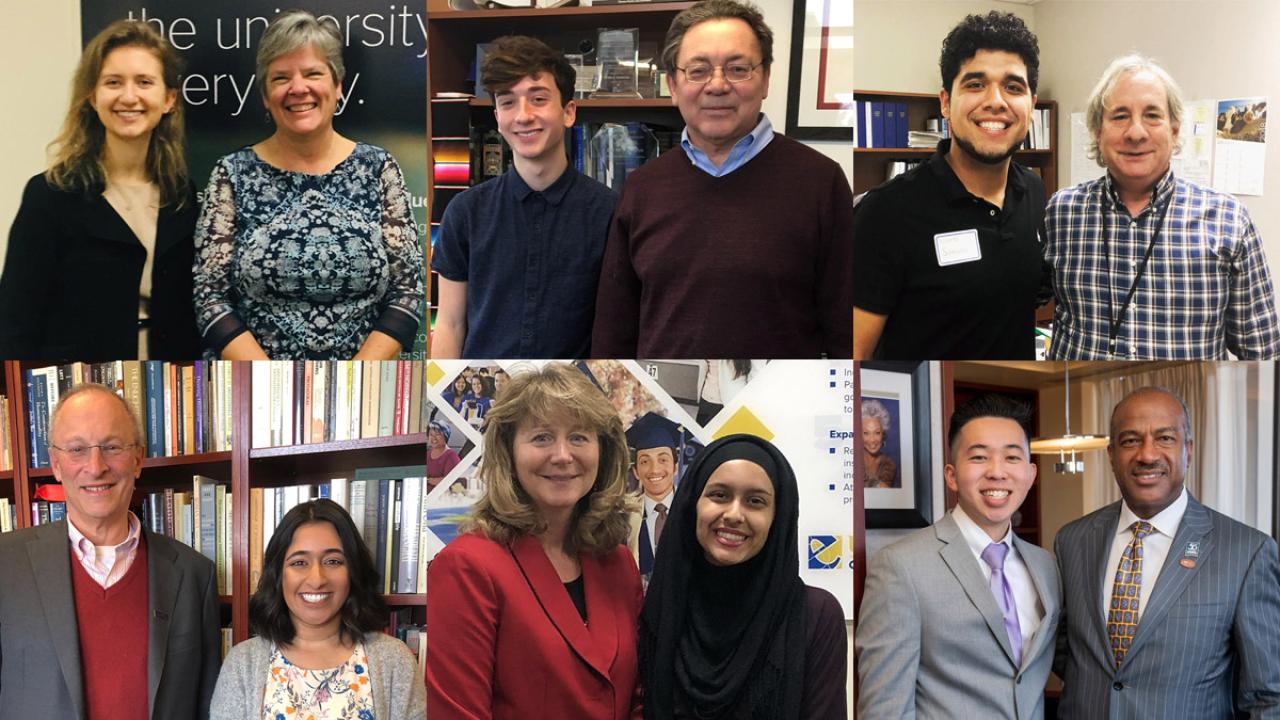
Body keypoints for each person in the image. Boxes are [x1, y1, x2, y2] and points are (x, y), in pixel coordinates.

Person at [591, 0, 853, 358]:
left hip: (780, 394)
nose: (717, 85)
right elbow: (614, 330)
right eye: (698, 71)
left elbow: (845, 328)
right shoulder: (642, 187)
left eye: (737, 69)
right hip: (665, 391)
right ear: (672, 85)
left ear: (765, 79)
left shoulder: (821, 182)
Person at [194, 9, 423, 360]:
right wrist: (272, 383)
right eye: (281, 77)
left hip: (367, 382)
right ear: (265, 95)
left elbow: (407, 292)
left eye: (313, 73)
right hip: (254, 384)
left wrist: (355, 380)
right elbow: (210, 297)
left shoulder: (379, 169)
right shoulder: (231, 174)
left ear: (338, 85)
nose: (298, 88)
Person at [426, 363, 643, 719]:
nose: (563, 455)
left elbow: (636, 699)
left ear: (602, 451)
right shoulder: (467, 566)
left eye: (579, 437)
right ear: (508, 453)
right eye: (542, 437)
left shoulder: (618, 562)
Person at [1054, 387, 1280, 718]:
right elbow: (1066, 655)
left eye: (1164, 438)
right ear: (1111, 455)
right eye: (1130, 440)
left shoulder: (1247, 552)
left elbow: (1269, 695)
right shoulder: (1072, 541)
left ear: (1188, 450)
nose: (1147, 454)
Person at [0, 384, 220, 717]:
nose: (96, 466)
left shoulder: (194, 575)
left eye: (112, 447)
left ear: (137, 460)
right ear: (56, 464)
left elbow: (206, 706)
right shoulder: (6, 564)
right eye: (77, 449)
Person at [1044, 55, 1280, 360]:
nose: (1136, 133)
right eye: (1120, 116)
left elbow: (1263, 357)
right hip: (1077, 392)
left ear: (1175, 130)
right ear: (1097, 131)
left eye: (1152, 115)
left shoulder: (1229, 220)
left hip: (1189, 394)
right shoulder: (1061, 213)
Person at [0, 20, 201, 360]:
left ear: (169, 99)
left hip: (169, 385)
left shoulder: (181, 196)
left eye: (144, 82)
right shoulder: (50, 195)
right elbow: (15, 322)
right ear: (93, 97)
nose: (129, 96)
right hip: (77, 388)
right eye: (113, 82)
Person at [853, 11, 1045, 360]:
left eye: (1013, 87)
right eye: (975, 84)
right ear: (945, 102)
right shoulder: (885, 212)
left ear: (1031, 106)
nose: (996, 101)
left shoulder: (1034, 191)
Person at [857, 395, 1060, 719]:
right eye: (979, 457)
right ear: (951, 475)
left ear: (1031, 474)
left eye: (1012, 457)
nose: (997, 472)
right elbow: (885, 709)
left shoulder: (1045, 565)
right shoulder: (901, 566)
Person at [431, 35, 617, 359]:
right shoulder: (465, 212)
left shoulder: (610, 212)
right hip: (482, 385)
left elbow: (617, 328)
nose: (523, 116)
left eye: (538, 99)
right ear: (497, 118)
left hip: (571, 387)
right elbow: (449, 324)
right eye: (507, 102)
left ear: (568, 112)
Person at [639, 434, 847, 719]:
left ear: (777, 518)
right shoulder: (660, 607)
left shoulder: (815, 616)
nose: (734, 514)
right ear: (692, 504)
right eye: (719, 495)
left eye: (755, 501)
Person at [211, 499, 425, 720]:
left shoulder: (394, 660)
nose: (317, 580)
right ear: (278, 574)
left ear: (353, 570)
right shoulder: (243, 663)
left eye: (333, 561)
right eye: (299, 563)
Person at [625, 412, 683, 577]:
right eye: (644, 461)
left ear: (675, 467)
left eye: (663, 460)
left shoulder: (693, 510)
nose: (654, 469)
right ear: (636, 472)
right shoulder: (623, 517)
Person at [861, 398, 898, 488]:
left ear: (883, 433)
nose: (872, 440)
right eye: (866, 433)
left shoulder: (889, 465)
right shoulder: (850, 460)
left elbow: (882, 492)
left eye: (877, 433)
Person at [428, 420, 462, 491]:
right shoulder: (427, 453)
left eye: (437, 434)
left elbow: (452, 482)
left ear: (446, 436)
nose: (433, 438)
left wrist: (428, 480)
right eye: (431, 435)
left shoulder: (452, 456)